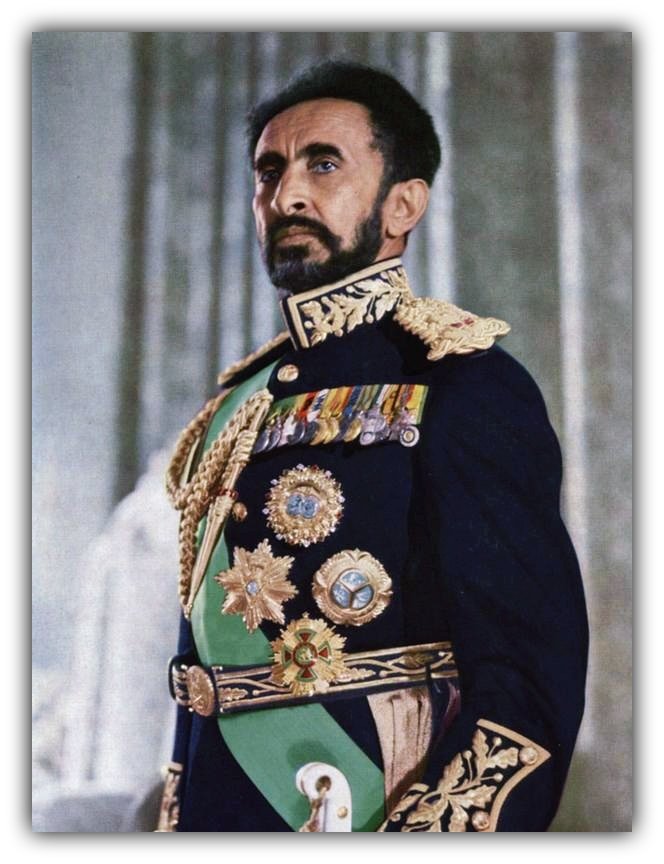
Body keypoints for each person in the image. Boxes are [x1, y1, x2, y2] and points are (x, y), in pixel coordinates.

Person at [156, 60, 588, 833]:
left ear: (402, 204)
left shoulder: (461, 383)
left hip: (369, 800)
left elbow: (525, 683)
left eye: (324, 164)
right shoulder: (239, 404)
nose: (287, 194)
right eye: (269, 171)